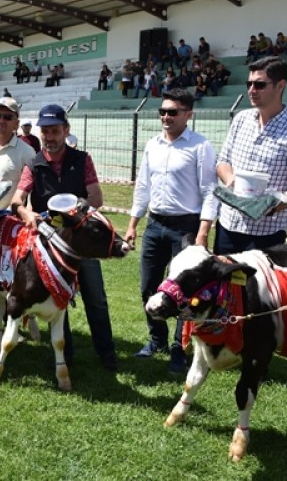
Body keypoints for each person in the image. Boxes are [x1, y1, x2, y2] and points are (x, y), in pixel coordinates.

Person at [9, 104, 119, 372]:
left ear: (66, 130)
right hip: (50, 247)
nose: (50, 136)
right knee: (58, 298)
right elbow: (17, 200)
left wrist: (70, 212)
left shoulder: (82, 160)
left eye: (55, 130)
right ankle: (65, 355)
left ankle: (107, 354)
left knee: (96, 298)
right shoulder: (34, 164)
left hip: (81, 244)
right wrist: (26, 213)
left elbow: (96, 198)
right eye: (45, 131)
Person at [125, 89, 217, 373]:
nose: (166, 117)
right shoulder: (152, 145)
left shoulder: (201, 146)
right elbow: (142, 187)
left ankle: (180, 347)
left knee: (184, 292)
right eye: (162, 111)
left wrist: (202, 233)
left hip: (186, 228)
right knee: (148, 287)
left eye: (173, 112)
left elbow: (210, 191)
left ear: (188, 114)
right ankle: (156, 340)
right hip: (155, 225)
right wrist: (132, 224)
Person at [214, 56, 287, 254]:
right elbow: (223, 161)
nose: (251, 90)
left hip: (265, 234)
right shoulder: (241, 120)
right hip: (227, 225)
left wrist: (267, 206)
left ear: (280, 86)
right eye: (249, 83)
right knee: (224, 285)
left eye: (260, 84)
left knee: (258, 286)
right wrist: (232, 182)